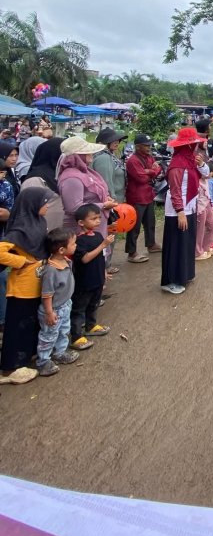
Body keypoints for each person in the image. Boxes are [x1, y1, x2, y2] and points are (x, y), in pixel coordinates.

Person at [0, 185, 56, 383]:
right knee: (17, 327)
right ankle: (10, 368)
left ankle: (27, 356)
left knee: (31, 324)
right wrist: (21, 261)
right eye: (44, 203)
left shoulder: (38, 222)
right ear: (32, 204)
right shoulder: (20, 230)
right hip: (22, 288)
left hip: (37, 284)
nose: (47, 206)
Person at [161, 128, 208, 295]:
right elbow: (175, 191)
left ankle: (185, 274)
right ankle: (172, 280)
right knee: (177, 245)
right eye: (194, 144)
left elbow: (206, 174)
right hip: (178, 210)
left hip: (190, 206)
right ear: (187, 146)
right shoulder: (177, 165)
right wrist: (180, 212)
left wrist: (201, 164)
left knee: (186, 244)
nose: (196, 147)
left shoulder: (191, 161)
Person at [35, 227, 80, 376]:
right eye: (73, 244)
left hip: (65, 305)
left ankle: (60, 353)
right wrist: (49, 312)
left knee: (63, 331)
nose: (76, 246)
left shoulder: (66, 261)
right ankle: (43, 362)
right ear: (61, 250)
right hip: (53, 310)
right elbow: (47, 294)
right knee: (48, 336)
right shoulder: (51, 271)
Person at [71, 203, 113, 351]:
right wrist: (103, 245)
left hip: (97, 278)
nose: (97, 221)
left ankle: (91, 325)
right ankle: (76, 337)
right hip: (84, 281)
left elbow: (101, 257)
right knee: (79, 308)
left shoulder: (98, 235)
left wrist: (104, 273)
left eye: (98, 218)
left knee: (94, 304)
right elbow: (85, 259)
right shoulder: (79, 240)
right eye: (93, 218)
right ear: (81, 223)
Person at [57, 137, 117, 237]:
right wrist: (104, 205)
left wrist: (105, 198)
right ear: (78, 155)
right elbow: (74, 208)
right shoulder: (72, 178)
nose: (91, 154)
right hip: (81, 233)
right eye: (88, 152)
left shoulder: (84, 172)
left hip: (94, 228)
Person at [124, 134, 162, 263]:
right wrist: (152, 171)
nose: (149, 147)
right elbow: (141, 178)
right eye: (146, 145)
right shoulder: (133, 161)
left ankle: (151, 244)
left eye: (149, 145)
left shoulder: (149, 157)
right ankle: (131, 252)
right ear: (138, 146)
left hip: (148, 194)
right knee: (134, 226)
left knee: (150, 222)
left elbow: (158, 169)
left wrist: (149, 171)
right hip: (137, 196)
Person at [92, 127, 127, 203]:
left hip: (116, 199)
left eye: (117, 140)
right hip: (111, 201)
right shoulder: (104, 158)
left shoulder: (110, 155)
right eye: (113, 140)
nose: (117, 142)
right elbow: (106, 182)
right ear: (104, 143)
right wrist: (112, 200)